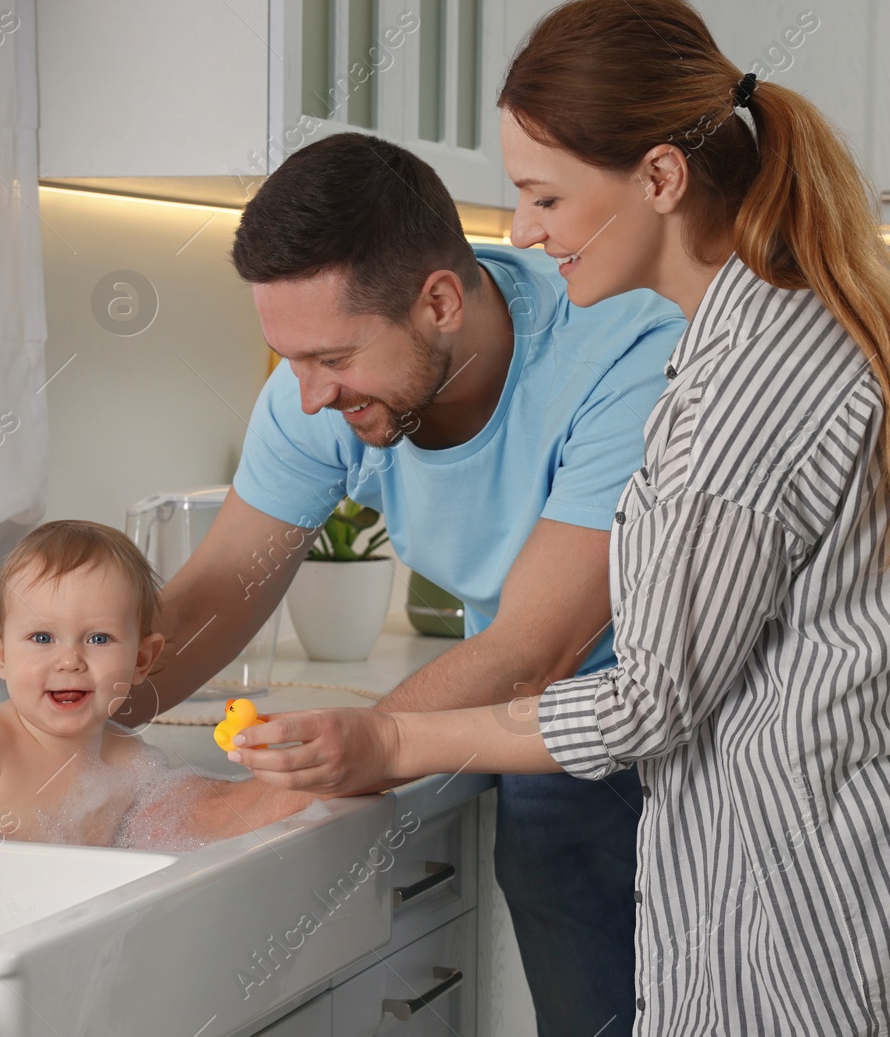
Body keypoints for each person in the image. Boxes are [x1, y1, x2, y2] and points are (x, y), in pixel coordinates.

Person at [227, 0, 890, 1036]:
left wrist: (392, 739)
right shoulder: (853, 291)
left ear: (661, 179)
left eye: (543, 197)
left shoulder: (740, 384)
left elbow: (644, 703)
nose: (523, 232)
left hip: (833, 901)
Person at [119, 131, 684, 1034]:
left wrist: (295, 783)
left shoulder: (625, 353)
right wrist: (75, 709)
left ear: (439, 302)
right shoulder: (323, 387)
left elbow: (536, 648)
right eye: (290, 360)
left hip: (655, 717)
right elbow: (225, 581)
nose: (307, 395)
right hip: (525, 694)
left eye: (332, 361)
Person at [0, 520, 310, 845]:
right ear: (0, 653)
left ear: (141, 660)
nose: (70, 660)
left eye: (98, 638)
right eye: (42, 638)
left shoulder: (131, 762)